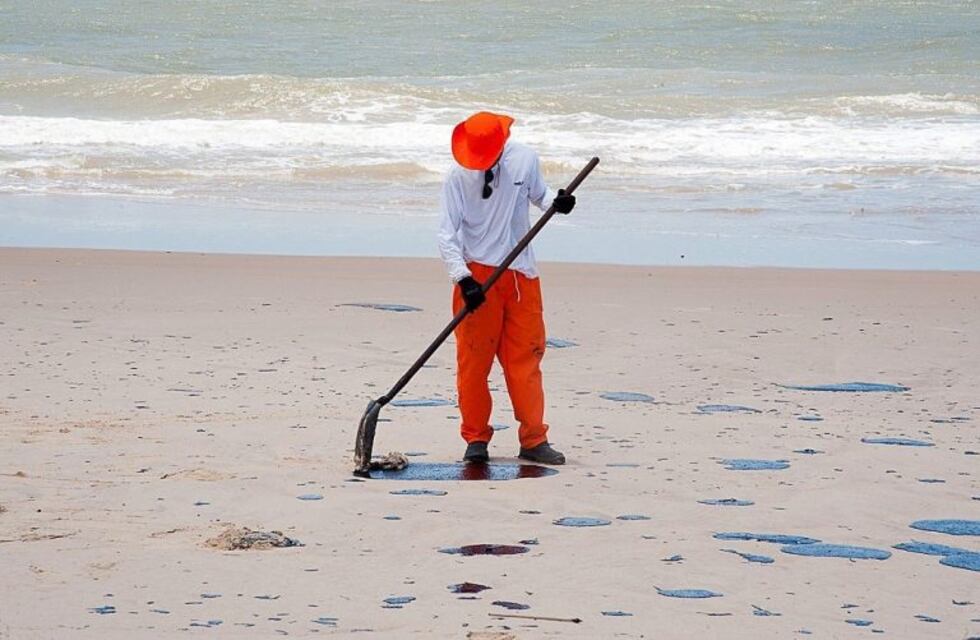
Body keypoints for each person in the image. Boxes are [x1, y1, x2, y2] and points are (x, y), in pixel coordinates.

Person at [438, 111, 575, 465]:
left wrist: (556, 204)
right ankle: (476, 439)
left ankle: (534, 439)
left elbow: (539, 195)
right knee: (473, 364)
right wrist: (463, 278)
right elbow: (446, 234)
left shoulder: (525, 159)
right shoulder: (457, 176)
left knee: (525, 360)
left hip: (520, 276)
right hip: (476, 278)